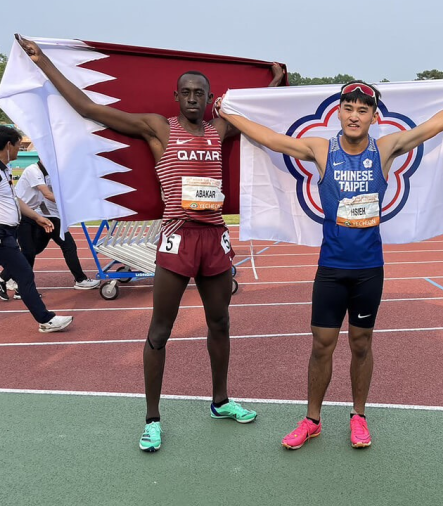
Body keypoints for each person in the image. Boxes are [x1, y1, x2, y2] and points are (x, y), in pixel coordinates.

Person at [16, 35, 285, 452]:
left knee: (220, 324)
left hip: (214, 236)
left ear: (210, 98)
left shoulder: (219, 130)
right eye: (187, 93)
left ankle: (220, 401)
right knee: (160, 329)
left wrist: (277, 83)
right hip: (177, 235)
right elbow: (89, 109)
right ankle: (152, 419)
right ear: (176, 96)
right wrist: (43, 61)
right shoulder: (159, 128)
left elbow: (255, 112)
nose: (194, 99)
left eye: (201, 93)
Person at [219, 79, 443, 450]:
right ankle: (312, 419)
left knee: (361, 344)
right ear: (339, 112)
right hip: (331, 267)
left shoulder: (384, 149)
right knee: (321, 345)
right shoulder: (321, 149)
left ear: (373, 117)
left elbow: (435, 125)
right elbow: (272, 139)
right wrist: (229, 113)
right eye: (348, 108)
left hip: (368, 270)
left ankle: (359, 416)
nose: (354, 115)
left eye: (363, 110)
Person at [0, 125, 74, 332]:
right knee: (25, 275)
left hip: (3, 233)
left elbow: (14, 200)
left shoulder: (2, 168)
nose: (20, 149)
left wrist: (37, 217)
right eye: (18, 145)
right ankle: (46, 319)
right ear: (9, 145)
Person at [0, 159, 100, 299]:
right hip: (24, 215)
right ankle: (16, 286)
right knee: (32, 251)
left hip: (38, 215)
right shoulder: (33, 170)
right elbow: (48, 195)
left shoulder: (52, 174)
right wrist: (75, 204)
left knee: (34, 250)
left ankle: (3, 279)